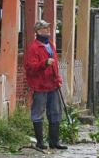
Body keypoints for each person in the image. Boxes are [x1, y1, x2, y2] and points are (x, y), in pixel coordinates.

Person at [24, 20, 68, 150]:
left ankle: (54, 142)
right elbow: (30, 68)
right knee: (38, 113)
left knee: (55, 112)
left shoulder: (51, 45)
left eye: (48, 27)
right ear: (38, 31)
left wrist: (58, 79)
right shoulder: (33, 48)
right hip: (40, 85)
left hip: (53, 84)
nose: (48, 29)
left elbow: (54, 66)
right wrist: (44, 63)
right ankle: (40, 142)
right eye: (45, 28)